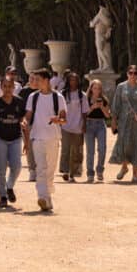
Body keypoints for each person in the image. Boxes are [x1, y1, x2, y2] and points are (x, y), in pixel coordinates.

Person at [24, 69, 66, 212]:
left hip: (53, 138)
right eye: (34, 79)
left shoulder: (58, 97)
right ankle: (42, 196)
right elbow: (28, 115)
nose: (34, 82)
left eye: (37, 79)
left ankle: (47, 197)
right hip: (37, 138)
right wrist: (24, 121)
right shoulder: (32, 97)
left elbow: (64, 119)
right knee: (40, 169)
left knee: (50, 170)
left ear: (46, 80)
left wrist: (57, 120)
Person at [110, 65, 137, 184]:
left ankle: (135, 175)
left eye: (135, 73)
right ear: (127, 73)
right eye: (131, 72)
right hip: (124, 121)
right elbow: (116, 104)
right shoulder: (121, 87)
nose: (133, 75)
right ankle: (124, 167)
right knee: (124, 145)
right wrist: (114, 120)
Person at [0, 76, 25, 209]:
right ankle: (3, 196)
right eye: (5, 86)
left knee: (17, 166)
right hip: (0, 139)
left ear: (14, 87)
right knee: (1, 169)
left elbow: (22, 120)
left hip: (15, 138)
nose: (8, 89)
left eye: (10, 86)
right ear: (1, 87)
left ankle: (9, 186)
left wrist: (26, 140)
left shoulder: (19, 102)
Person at [59, 72, 87, 182]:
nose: (73, 82)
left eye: (75, 80)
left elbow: (85, 112)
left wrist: (84, 125)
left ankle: (73, 173)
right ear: (68, 81)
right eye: (71, 80)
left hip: (78, 126)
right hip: (65, 126)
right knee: (65, 149)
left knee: (76, 151)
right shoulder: (63, 94)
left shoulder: (82, 95)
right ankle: (65, 171)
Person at [84, 79, 111, 182]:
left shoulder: (104, 99)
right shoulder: (86, 99)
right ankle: (90, 173)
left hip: (100, 124)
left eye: (99, 88)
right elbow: (84, 114)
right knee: (90, 151)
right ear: (91, 88)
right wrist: (92, 107)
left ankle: (100, 170)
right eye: (95, 88)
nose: (97, 90)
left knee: (102, 148)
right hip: (89, 124)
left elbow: (108, 115)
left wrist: (102, 108)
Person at [18, 72, 40, 181]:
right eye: (31, 78)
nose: (33, 81)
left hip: (41, 124)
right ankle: (32, 170)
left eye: (35, 78)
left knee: (40, 148)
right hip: (28, 124)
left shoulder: (43, 92)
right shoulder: (24, 92)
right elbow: (19, 108)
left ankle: (40, 169)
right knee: (29, 147)